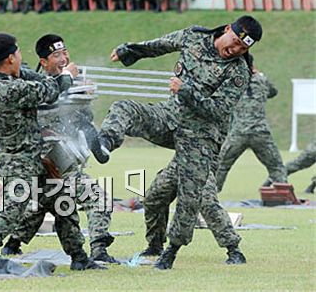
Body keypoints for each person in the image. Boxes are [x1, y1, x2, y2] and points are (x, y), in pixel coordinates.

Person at [97, 16, 262, 269]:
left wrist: (185, 90)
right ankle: (106, 142)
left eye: (243, 48)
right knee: (125, 111)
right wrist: (129, 51)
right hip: (169, 118)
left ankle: (178, 252)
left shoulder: (238, 72)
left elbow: (218, 110)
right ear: (227, 29)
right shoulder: (193, 37)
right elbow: (160, 44)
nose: (236, 49)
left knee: (194, 196)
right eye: (236, 41)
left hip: (201, 139)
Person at [0, 33, 103, 271]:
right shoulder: (7, 90)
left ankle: (79, 257)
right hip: (19, 163)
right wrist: (67, 77)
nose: (21, 57)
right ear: (10, 59)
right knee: (8, 218)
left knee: (62, 200)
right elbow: (49, 90)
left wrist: (62, 77)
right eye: (18, 53)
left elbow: (35, 78)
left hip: (32, 158)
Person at [1, 34, 117, 263]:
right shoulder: (34, 86)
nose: (63, 58)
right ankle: (99, 249)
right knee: (96, 197)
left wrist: (83, 99)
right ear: (43, 62)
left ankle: (12, 244)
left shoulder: (75, 82)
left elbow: (83, 121)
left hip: (65, 159)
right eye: (56, 55)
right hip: (45, 159)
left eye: (65, 53)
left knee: (45, 202)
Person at [217, 58, 287, 191]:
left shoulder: (231, 81)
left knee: (221, 166)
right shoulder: (262, 80)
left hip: (238, 133)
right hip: (260, 132)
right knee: (276, 167)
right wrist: (258, 75)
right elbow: (273, 92)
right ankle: (283, 196)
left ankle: (208, 197)